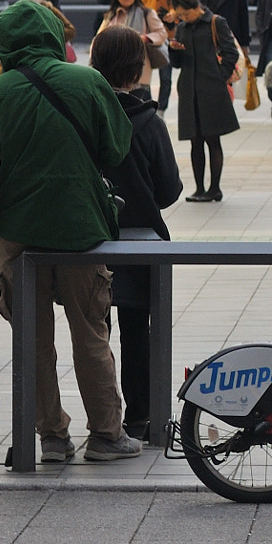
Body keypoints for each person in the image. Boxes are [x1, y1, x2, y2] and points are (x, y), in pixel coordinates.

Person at [0, 0, 141, 465]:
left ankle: (52, 437)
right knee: (91, 334)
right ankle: (106, 434)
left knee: (33, 341)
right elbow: (117, 146)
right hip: (81, 226)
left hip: (18, 230)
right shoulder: (87, 80)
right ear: (52, 36)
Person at [87, 23, 182, 442]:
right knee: (137, 331)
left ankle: (102, 421)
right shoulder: (149, 123)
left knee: (92, 331)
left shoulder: (82, 119)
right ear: (136, 68)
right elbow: (170, 189)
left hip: (91, 241)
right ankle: (141, 416)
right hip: (142, 241)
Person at [167, 0, 240, 204]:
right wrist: (174, 50)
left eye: (185, 13)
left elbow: (231, 52)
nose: (183, 18)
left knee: (212, 139)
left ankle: (214, 189)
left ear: (196, 7)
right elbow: (177, 64)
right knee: (194, 140)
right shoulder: (182, 27)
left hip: (212, 90)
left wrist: (220, 76)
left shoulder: (216, 22)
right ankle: (199, 188)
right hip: (189, 90)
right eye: (180, 15)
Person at [97, 0, 168, 99]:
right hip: (113, 70)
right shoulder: (111, 15)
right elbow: (99, 38)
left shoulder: (147, 13)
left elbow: (161, 33)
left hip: (138, 72)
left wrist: (144, 38)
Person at [133, 0, 184, 112]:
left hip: (166, 33)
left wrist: (173, 14)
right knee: (142, 75)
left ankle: (161, 110)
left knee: (166, 76)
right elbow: (135, 4)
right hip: (144, 33)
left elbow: (180, 3)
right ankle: (146, 107)